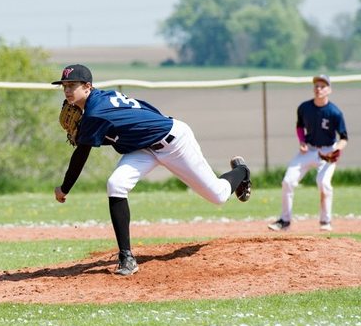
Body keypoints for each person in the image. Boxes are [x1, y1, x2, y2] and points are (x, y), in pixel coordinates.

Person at [52, 64, 252, 276]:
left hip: (175, 143)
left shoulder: (95, 113)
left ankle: (242, 171)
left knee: (218, 196)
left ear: (88, 87)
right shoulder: (102, 99)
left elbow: (81, 154)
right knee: (116, 184)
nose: (66, 90)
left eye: (72, 85)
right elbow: (140, 112)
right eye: (64, 85)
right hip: (143, 148)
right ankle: (126, 257)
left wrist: (64, 188)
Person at [268, 74, 348, 232]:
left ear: (329, 90)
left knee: (323, 183)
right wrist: (302, 141)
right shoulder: (304, 107)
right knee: (288, 181)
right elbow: (299, 127)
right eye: (316, 86)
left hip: (327, 152)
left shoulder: (335, 113)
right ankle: (285, 221)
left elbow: (344, 138)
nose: (318, 89)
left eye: (322, 86)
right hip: (309, 150)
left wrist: (337, 149)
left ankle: (325, 221)